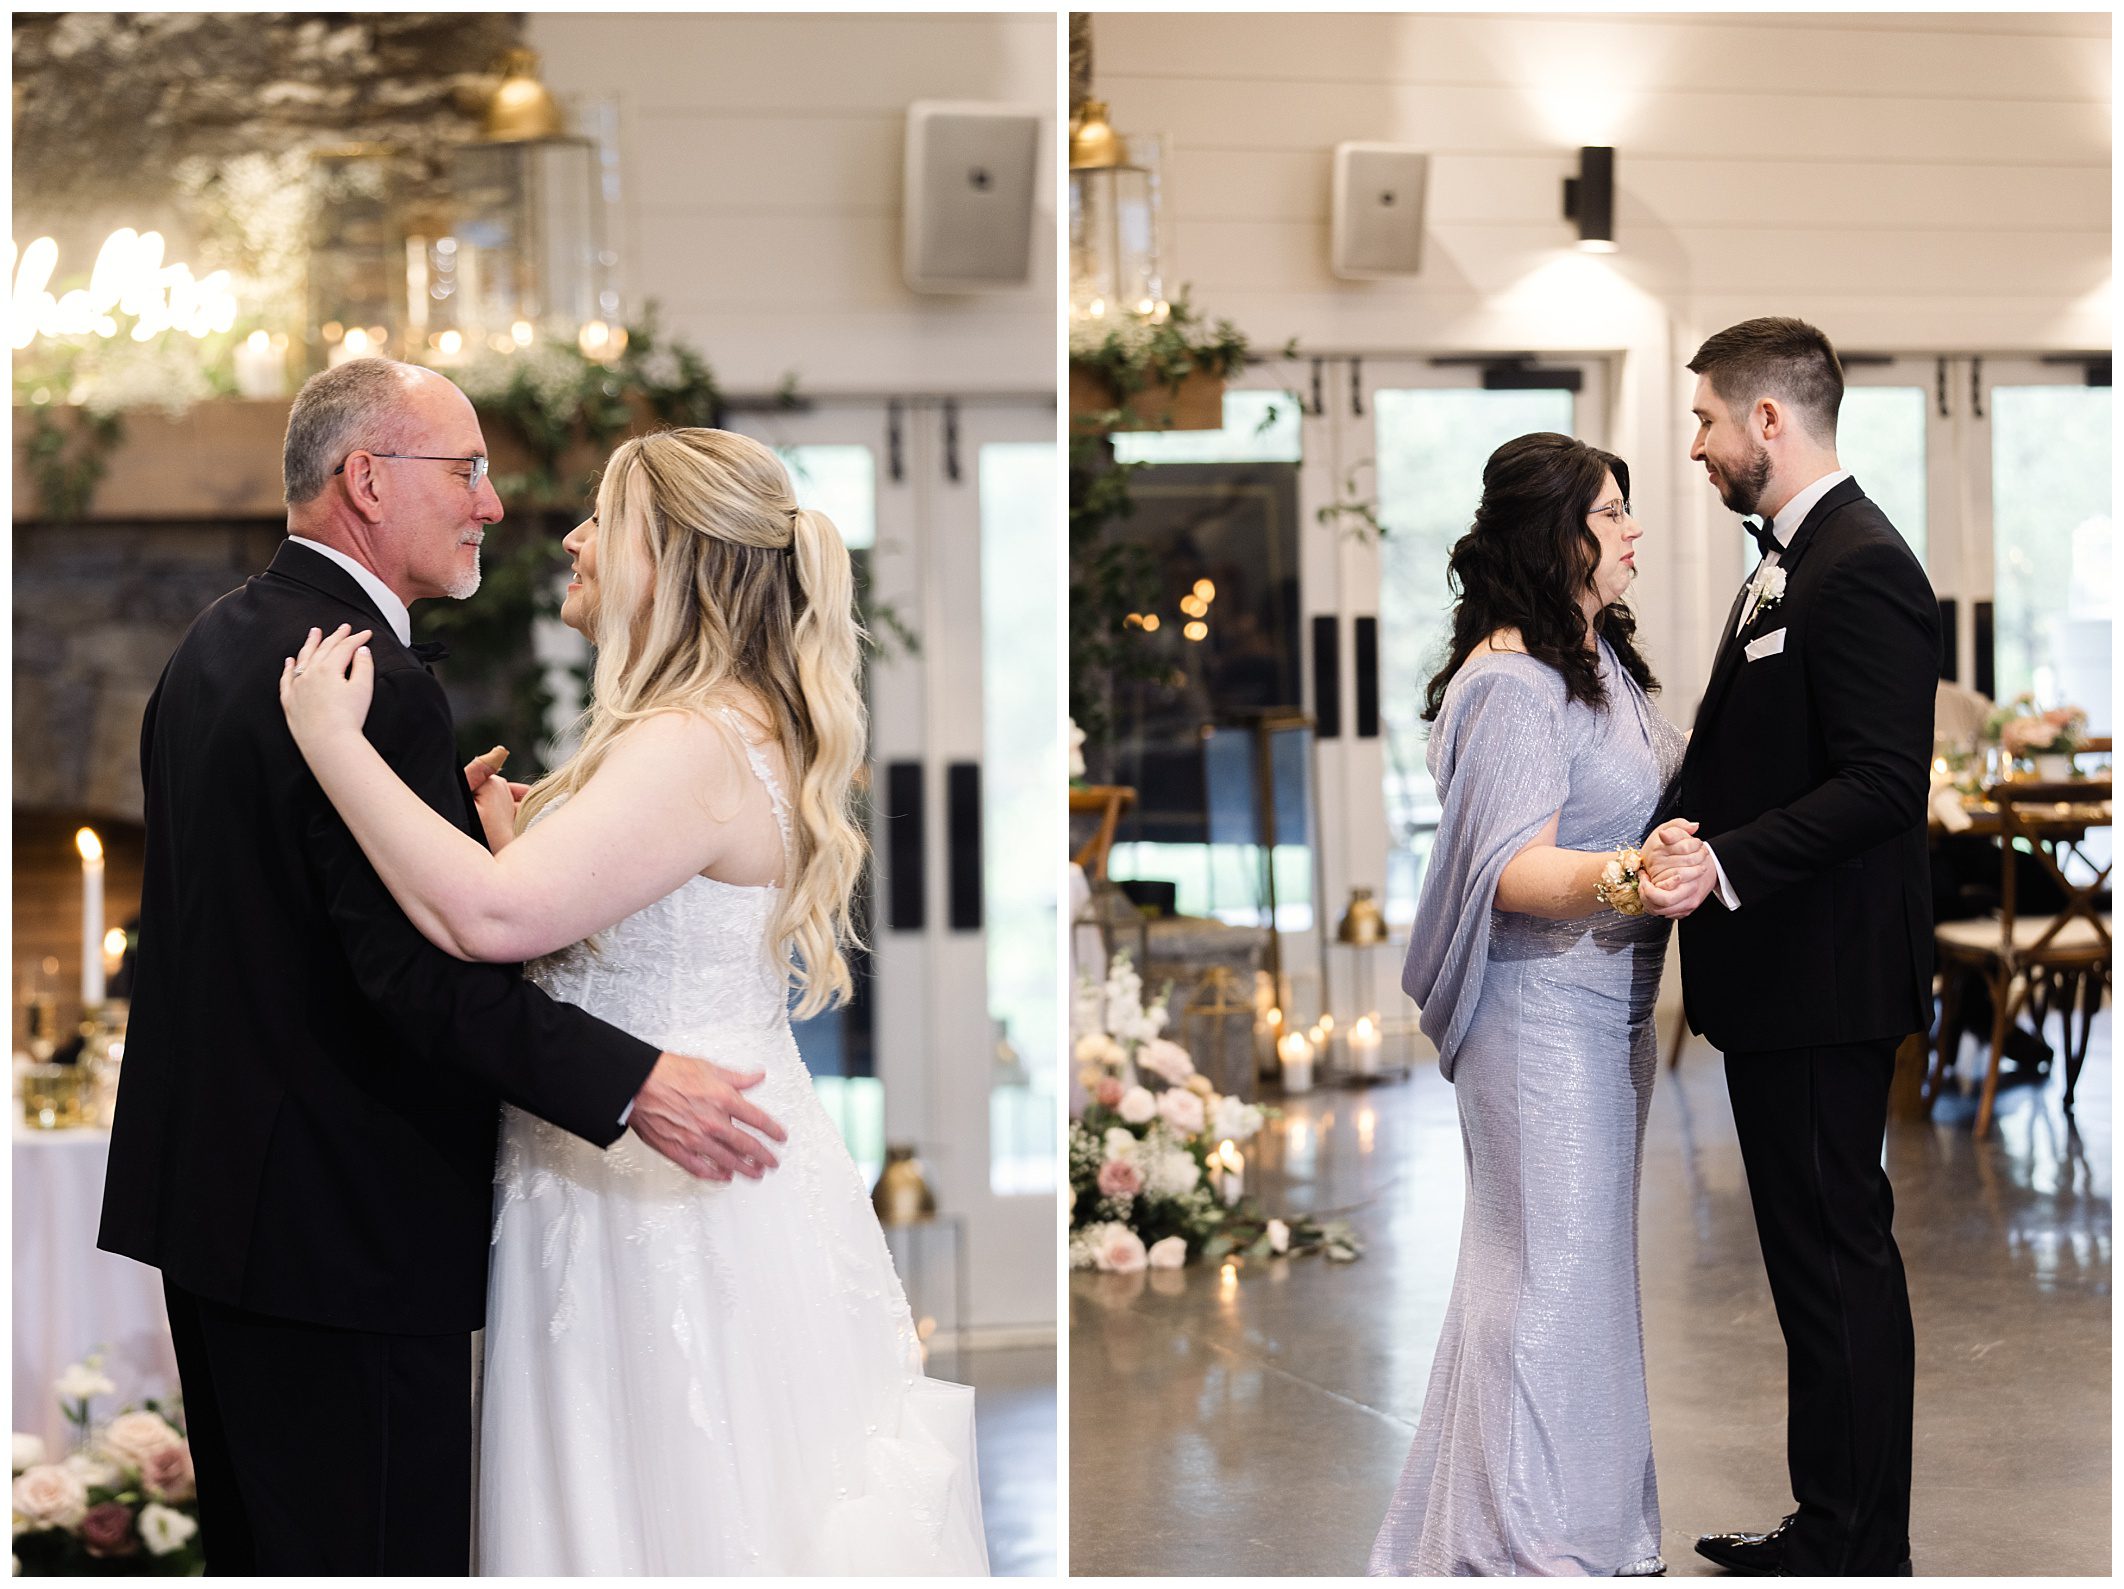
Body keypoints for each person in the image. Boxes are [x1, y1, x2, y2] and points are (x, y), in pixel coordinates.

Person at [98, 358, 784, 1575]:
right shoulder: (375, 685)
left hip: (215, 1214)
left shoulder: (213, 644)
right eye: (467, 469)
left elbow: (279, 927)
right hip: (344, 1236)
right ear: (368, 477)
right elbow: (417, 982)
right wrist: (632, 1082)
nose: (495, 504)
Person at [279, 424, 989, 1573]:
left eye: (602, 519)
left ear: (670, 552)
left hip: (663, 1196)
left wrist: (331, 741)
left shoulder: (688, 738)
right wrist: (521, 848)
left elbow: (493, 919)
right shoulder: (723, 722)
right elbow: (559, 912)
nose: (569, 536)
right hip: (680, 1170)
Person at [1368, 433, 1704, 1576]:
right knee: (1545, 1270)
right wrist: (1633, 873)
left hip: (1611, 1002)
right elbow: (1509, 869)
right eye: (1614, 511)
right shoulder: (1509, 681)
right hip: (1541, 1015)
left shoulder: (1594, 655)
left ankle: (1576, 1521)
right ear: (1558, 531)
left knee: (1577, 1265)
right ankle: (1529, 1543)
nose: (1633, 530)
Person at [1655, 317, 1935, 1577]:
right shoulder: (1791, 558)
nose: (1699, 443)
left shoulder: (1860, 561)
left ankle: (1863, 1546)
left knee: (1836, 1265)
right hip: (1782, 983)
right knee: (1808, 1273)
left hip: (1825, 981)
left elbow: (1885, 782)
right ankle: (1830, 1522)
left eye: (1708, 418)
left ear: (1769, 419)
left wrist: (1727, 862)